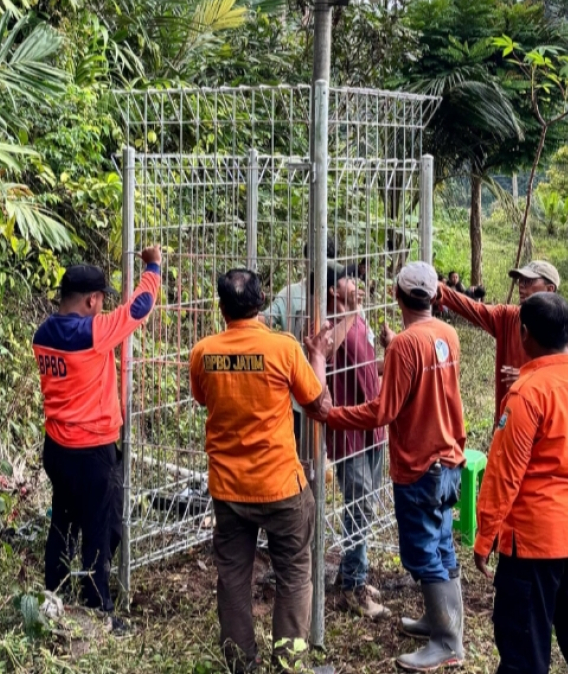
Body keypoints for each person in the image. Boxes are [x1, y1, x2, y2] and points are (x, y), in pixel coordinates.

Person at [308, 261, 467, 671]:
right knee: (443, 543)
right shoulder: (446, 334)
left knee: (423, 553)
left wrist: (332, 415)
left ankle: (447, 643)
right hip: (448, 458)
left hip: (419, 464)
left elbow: (383, 410)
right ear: (433, 297)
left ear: (397, 297)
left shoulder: (403, 345)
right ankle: (440, 622)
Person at [189, 269, 335, 674]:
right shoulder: (283, 349)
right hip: (281, 487)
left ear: (221, 307)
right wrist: (318, 357)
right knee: (293, 573)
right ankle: (289, 663)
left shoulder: (204, 351)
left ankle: (241, 664)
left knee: (233, 577)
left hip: (228, 490)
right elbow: (319, 406)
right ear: (261, 302)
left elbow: (202, 398)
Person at [474, 293, 568, 674]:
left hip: (534, 546)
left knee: (524, 650)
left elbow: (504, 474)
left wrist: (484, 536)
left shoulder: (526, 393)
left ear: (524, 335)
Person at [33, 247, 162, 633]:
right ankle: (97, 608)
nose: (103, 305)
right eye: (101, 299)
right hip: (91, 452)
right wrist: (152, 266)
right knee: (100, 530)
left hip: (57, 448)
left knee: (62, 523)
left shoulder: (43, 334)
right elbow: (140, 307)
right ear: (91, 300)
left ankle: (52, 593)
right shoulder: (92, 334)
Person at [438, 260, 568, 422]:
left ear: (550, 289)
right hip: (507, 421)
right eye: (520, 281)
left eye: (529, 281)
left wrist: (532, 382)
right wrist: (440, 291)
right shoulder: (509, 317)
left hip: (547, 428)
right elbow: (472, 308)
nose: (521, 286)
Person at [322, 268, 389, 619]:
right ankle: (353, 585)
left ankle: (351, 571)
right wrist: (349, 314)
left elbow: (366, 367)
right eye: (350, 281)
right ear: (334, 290)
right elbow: (326, 353)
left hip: (373, 429)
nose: (357, 286)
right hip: (347, 434)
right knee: (358, 507)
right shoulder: (326, 324)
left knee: (365, 506)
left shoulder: (359, 320)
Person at [266, 239, 338, 341]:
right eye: (316, 264)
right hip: (296, 355)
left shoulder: (343, 293)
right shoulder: (290, 294)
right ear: (306, 262)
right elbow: (263, 319)